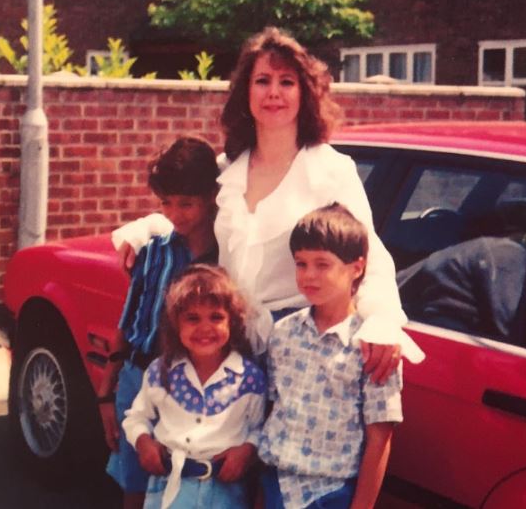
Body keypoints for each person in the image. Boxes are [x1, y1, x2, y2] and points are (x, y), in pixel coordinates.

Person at [113, 27, 424, 377]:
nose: (273, 92)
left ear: (304, 93)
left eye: (287, 82)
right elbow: (189, 216)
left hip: (298, 351)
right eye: (262, 80)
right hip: (228, 346)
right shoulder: (227, 169)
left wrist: (382, 320)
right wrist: (144, 228)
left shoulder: (331, 170)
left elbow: (370, 257)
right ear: (246, 91)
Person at [99, 136, 221, 509]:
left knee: (183, 490)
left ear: (211, 199)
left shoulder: (225, 259)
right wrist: (107, 391)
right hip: (136, 378)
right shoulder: (154, 251)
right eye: (166, 203)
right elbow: (130, 317)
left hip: (191, 389)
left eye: (186, 203)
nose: (174, 213)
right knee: (134, 484)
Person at [260, 203, 402, 509]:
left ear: (357, 267)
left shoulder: (373, 345)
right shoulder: (283, 332)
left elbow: (380, 439)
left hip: (331, 493)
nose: (309, 275)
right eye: (301, 264)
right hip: (277, 485)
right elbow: (273, 408)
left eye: (322, 264)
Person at [122, 265, 267, 509]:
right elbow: (136, 417)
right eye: (192, 318)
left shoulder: (249, 378)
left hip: (224, 491)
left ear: (232, 321)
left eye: (216, 317)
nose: (205, 328)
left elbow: (259, 428)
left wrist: (247, 450)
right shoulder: (161, 371)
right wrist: (143, 442)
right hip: (169, 487)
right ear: (175, 325)